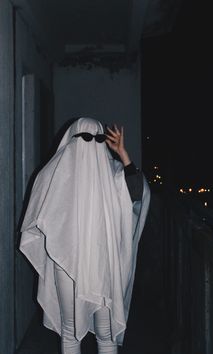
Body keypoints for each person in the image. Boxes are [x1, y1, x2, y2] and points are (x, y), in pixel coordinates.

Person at [19, 117, 150, 354]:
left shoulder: (113, 173)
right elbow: (37, 216)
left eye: (98, 139)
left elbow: (137, 192)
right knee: (75, 331)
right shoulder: (55, 172)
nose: (91, 145)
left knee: (102, 332)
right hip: (70, 265)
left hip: (99, 266)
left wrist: (122, 153)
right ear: (72, 140)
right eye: (85, 139)